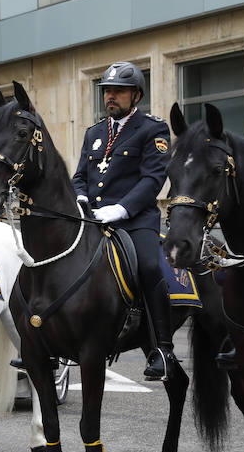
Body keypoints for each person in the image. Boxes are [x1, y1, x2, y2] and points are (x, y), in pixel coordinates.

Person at [72, 61, 175, 380]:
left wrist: (121, 209)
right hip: (94, 221)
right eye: (107, 92)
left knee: (148, 265)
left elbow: (152, 179)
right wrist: (81, 198)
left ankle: (163, 349)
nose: (110, 97)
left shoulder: (153, 129)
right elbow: (80, 176)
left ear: (136, 95)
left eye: (118, 91)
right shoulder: (94, 132)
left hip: (135, 220)